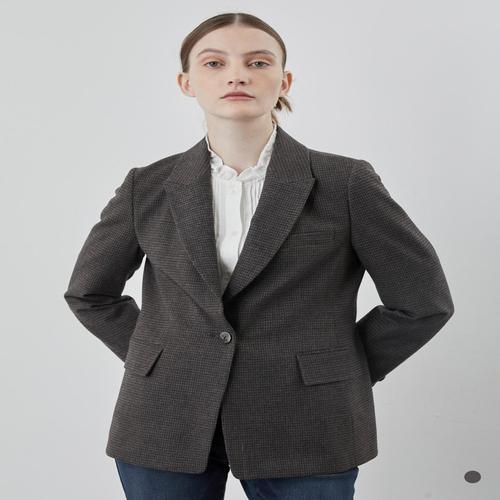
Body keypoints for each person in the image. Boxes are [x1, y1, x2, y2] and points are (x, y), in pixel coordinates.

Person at [63, 11, 455, 500]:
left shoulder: (346, 183)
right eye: (214, 63)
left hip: (307, 420)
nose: (237, 75)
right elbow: (89, 293)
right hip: (165, 418)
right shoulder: (148, 186)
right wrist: (164, 360)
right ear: (187, 83)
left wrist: (337, 368)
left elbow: (423, 301)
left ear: (284, 80)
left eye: (258, 62)